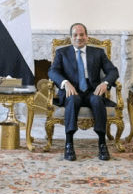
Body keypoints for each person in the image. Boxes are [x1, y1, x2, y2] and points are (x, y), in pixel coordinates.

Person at [48, 23, 119, 161]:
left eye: (82, 34)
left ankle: (102, 143)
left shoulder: (98, 52)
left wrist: (105, 83)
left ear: (87, 36)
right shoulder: (62, 53)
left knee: (97, 100)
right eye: (75, 35)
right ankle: (69, 144)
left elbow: (113, 71)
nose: (79, 37)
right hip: (72, 91)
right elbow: (52, 71)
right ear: (71, 37)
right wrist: (65, 83)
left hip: (92, 90)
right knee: (73, 100)